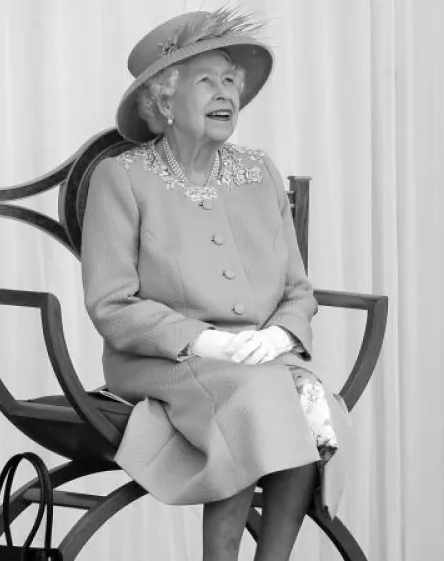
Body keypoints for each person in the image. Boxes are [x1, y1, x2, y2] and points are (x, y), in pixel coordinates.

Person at [81, 8, 352, 561]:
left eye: (231, 81)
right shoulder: (123, 177)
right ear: (164, 101)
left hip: (257, 358)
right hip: (161, 358)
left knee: (300, 392)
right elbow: (111, 305)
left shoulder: (259, 172)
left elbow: (299, 289)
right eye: (206, 80)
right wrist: (204, 341)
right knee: (253, 397)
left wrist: (279, 336)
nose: (224, 93)